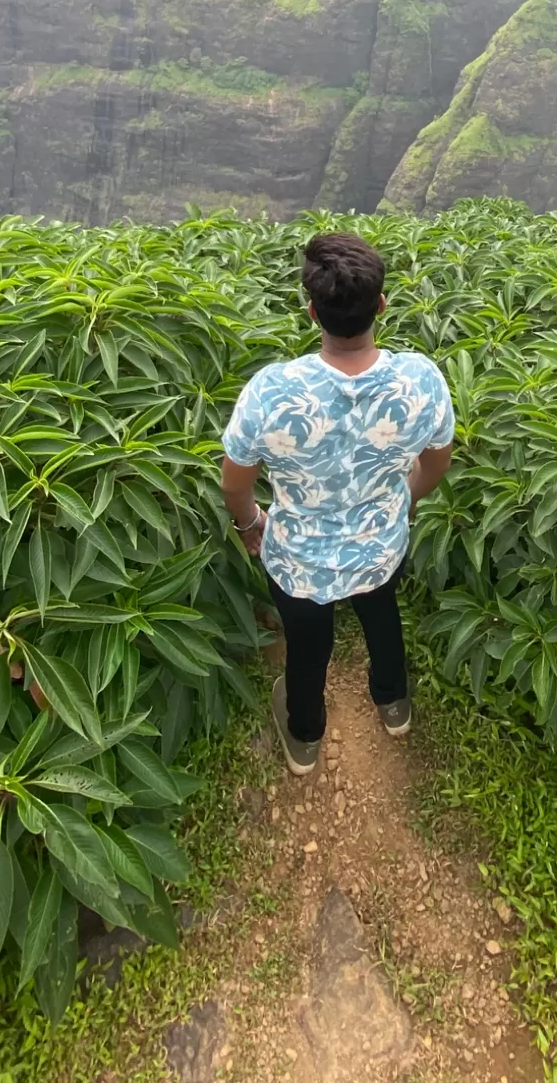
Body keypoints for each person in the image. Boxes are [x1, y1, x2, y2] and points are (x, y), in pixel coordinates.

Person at [220, 232, 455, 776]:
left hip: (298, 560)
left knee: (307, 646)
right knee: (382, 616)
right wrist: (405, 499)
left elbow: (235, 484)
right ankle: (393, 703)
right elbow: (437, 463)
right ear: (381, 305)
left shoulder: (271, 391)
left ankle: (305, 737)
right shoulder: (421, 379)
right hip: (381, 545)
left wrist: (252, 522)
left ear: (311, 312)